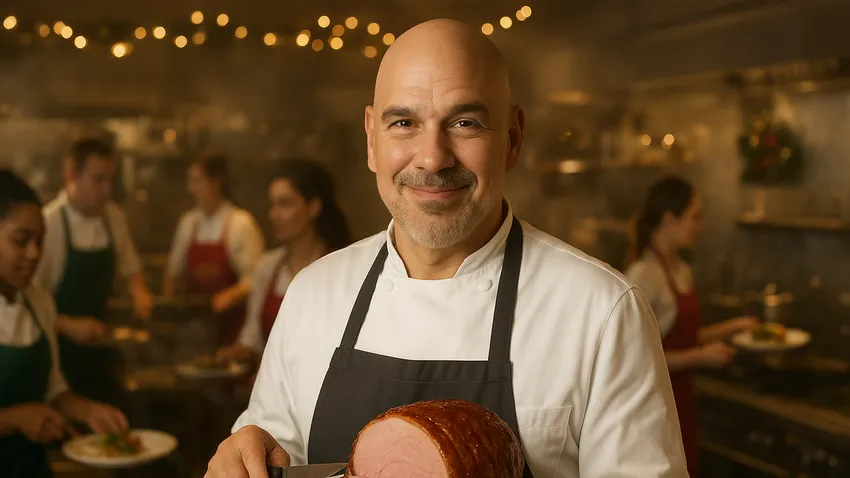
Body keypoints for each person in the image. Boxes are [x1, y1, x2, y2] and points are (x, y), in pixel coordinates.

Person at [205, 19, 688, 478]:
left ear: (514, 139)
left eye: (465, 123)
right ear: (372, 139)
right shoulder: (313, 294)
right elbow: (270, 447)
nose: (433, 158)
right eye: (403, 123)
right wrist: (244, 453)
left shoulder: (601, 311)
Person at [625, 175, 758, 477]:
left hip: (682, 401)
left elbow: (678, 338)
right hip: (654, 407)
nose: (699, 226)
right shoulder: (644, 275)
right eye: (694, 217)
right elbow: (640, 357)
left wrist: (731, 327)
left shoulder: (680, 270)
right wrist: (702, 357)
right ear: (670, 218)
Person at [0, 169, 129, 478]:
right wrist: (15, 418)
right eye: (20, 240)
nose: (34, 254)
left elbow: (53, 390)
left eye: (40, 242)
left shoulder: (39, 302)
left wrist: (90, 411)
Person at [34, 138, 153, 403]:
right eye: (98, 180)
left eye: (110, 180)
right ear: (72, 176)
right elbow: (29, 302)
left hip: (102, 353)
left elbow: (132, 269)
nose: (106, 190)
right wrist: (69, 325)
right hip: (59, 358)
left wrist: (140, 291)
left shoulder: (114, 218)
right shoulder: (48, 224)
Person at [218, 159, 352, 362]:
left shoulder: (340, 269)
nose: (274, 215)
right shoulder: (268, 267)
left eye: (285, 204)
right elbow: (252, 341)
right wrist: (236, 354)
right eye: (273, 204)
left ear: (314, 207)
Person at [163, 153, 265, 346]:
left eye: (197, 181)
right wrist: (170, 311)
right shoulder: (188, 223)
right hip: (195, 332)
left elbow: (257, 278)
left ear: (216, 182)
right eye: (190, 182)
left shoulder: (240, 223)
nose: (191, 189)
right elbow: (173, 272)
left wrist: (230, 295)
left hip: (234, 332)